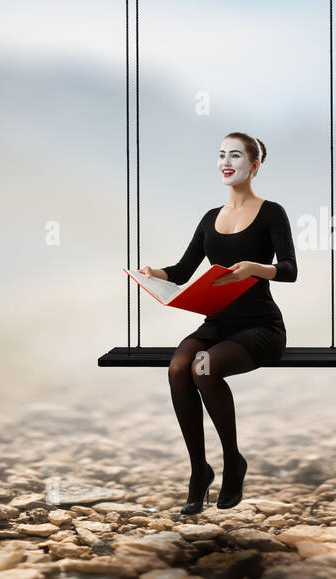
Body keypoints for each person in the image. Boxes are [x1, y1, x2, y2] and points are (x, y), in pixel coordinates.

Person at [137, 132, 297, 515]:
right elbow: (182, 269)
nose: (227, 162)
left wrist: (254, 270)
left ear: (255, 165)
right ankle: (198, 470)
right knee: (179, 367)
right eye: (222, 155)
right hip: (217, 324)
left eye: (237, 156)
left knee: (202, 367)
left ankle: (233, 462)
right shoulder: (211, 218)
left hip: (260, 326)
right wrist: (151, 272)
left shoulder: (271, 212)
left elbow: (290, 270)